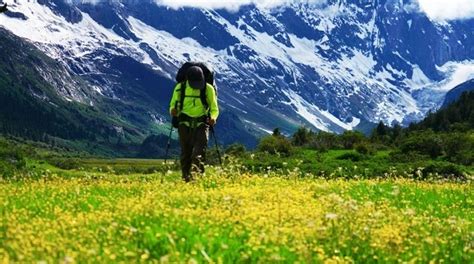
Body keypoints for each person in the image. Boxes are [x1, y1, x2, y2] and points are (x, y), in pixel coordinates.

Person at [169, 66, 219, 182]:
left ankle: (196, 179)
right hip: (184, 124)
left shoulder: (208, 89)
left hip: (202, 124)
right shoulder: (180, 88)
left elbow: (214, 108)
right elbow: (172, 105)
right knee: (185, 154)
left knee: (198, 153)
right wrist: (173, 110)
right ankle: (186, 179)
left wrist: (213, 118)